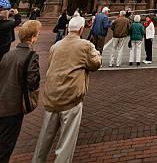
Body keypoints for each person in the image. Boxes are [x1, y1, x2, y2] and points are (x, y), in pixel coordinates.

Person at [32, 15, 101, 162]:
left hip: (52, 97)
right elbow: (95, 64)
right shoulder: (85, 46)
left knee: (45, 137)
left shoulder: (55, 46)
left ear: (68, 28)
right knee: (67, 140)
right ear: (82, 29)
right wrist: (97, 54)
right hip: (71, 97)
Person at [0, 20, 41, 162]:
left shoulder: (7, 55)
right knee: (6, 146)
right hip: (14, 107)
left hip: (2, 102)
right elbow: (33, 82)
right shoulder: (31, 56)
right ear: (33, 37)